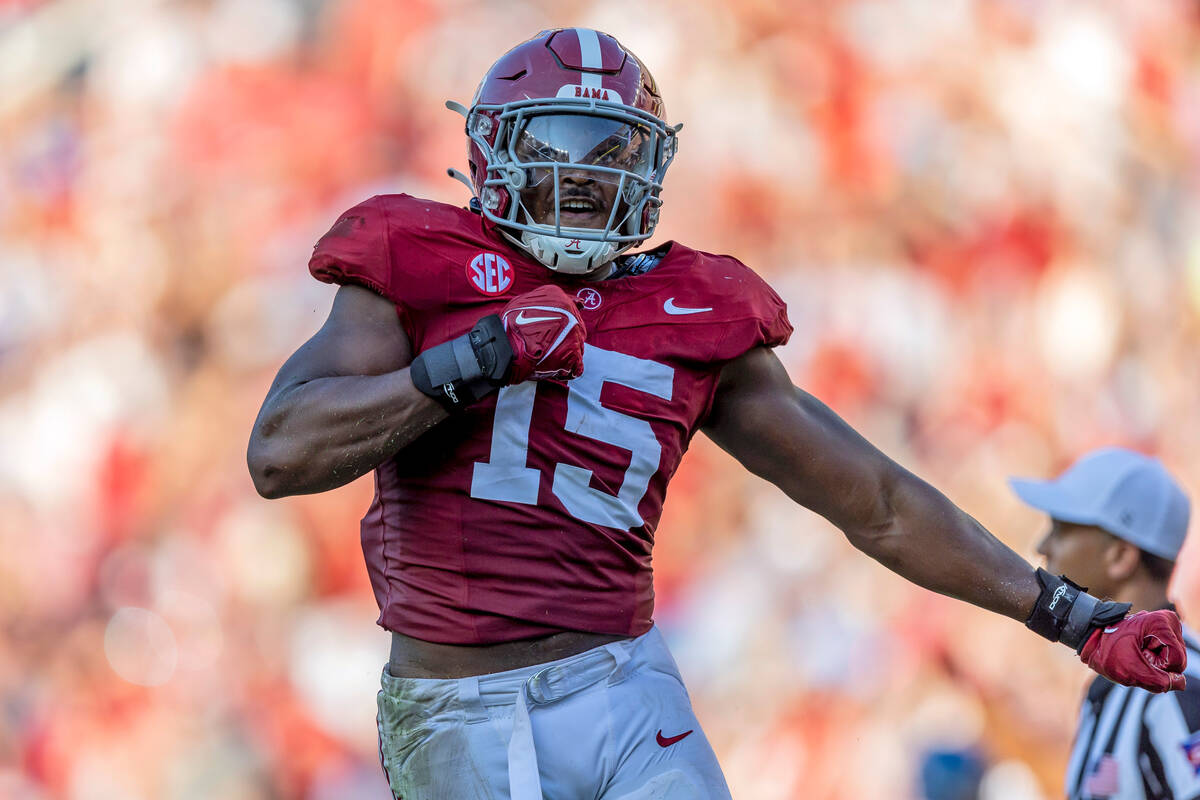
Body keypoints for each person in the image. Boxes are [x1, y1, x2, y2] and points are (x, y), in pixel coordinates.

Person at [246, 28, 1187, 800]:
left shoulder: (697, 306)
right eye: (555, 147)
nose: (582, 178)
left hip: (622, 682)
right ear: (494, 150)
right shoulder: (421, 257)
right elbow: (279, 453)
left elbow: (876, 500)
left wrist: (1070, 615)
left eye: (608, 151)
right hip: (456, 707)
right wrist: (470, 362)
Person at [1013, 448, 1200, 800]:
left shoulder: (1176, 689)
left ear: (1120, 556)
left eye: (1061, 529)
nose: (1043, 546)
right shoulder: (1119, 685)